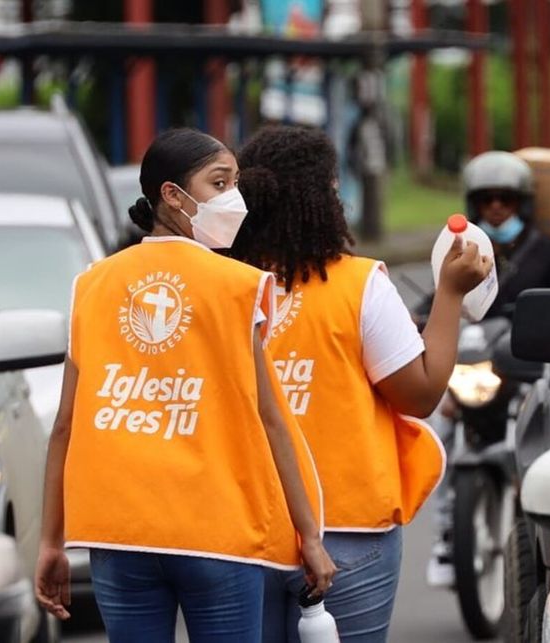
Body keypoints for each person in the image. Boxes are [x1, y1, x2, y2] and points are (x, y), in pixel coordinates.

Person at [34, 128, 335, 643]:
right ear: (172, 195)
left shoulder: (93, 285)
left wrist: (51, 541)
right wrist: (308, 534)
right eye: (219, 183)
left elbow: (66, 425)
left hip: (120, 534)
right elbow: (271, 419)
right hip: (216, 532)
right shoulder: (238, 286)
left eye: (235, 182)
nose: (233, 198)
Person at [229, 125, 491, 642]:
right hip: (346, 530)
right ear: (322, 196)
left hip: (243, 530)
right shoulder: (357, 283)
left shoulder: (225, 284)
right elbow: (419, 393)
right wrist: (451, 295)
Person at [425, 150, 550, 587]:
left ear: (522, 203)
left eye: (505, 199)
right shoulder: (459, 251)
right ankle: (446, 532)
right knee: (440, 423)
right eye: (487, 199)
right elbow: (438, 298)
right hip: (478, 367)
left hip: (531, 368)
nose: (496, 207)